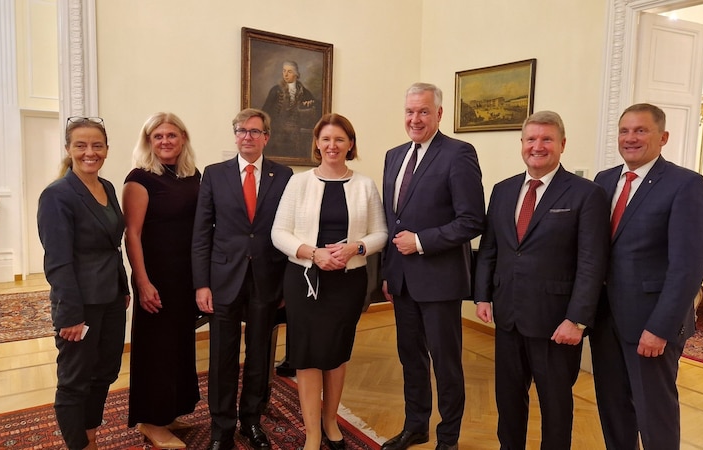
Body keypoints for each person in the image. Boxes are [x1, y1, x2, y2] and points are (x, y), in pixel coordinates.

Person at [473, 111, 610, 449]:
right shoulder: (503, 190)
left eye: (546, 139)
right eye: (531, 139)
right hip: (508, 317)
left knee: (556, 406)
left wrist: (577, 319)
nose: (538, 146)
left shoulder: (585, 194)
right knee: (508, 400)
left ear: (562, 144)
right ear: (522, 145)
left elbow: (592, 262)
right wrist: (482, 296)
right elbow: (490, 248)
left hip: (556, 323)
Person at [590, 103, 703, 449]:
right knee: (613, 407)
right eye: (625, 131)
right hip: (604, 320)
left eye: (641, 131)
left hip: (651, 323)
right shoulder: (605, 180)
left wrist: (659, 328)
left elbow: (688, 268)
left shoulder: (686, 185)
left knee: (654, 412)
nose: (631, 138)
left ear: (663, 137)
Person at [272, 113, 388, 450]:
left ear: (350, 144)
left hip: (348, 282)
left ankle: (330, 421)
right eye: (325, 139)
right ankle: (311, 432)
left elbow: (380, 232)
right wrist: (312, 253)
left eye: (339, 139)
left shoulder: (365, 185)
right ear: (317, 144)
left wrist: (357, 246)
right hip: (305, 279)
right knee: (307, 355)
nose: (332, 145)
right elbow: (278, 232)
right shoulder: (299, 182)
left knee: (336, 354)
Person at [380, 83, 485, 450]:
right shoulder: (394, 155)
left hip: (440, 281)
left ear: (439, 114)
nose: (415, 119)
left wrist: (421, 242)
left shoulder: (459, 154)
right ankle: (416, 425)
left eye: (423, 111)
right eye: (410, 111)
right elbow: (391, 220)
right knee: (410, 358)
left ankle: (448, 439)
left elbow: (472, 220)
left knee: (446, 365)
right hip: (402, 280)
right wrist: (388, 273)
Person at [191, 108, 293, 450]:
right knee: (222, 355)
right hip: (223, 279)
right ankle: (221, 427)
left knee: (259, 354)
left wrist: (284, 285)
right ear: (234, 135)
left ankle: (251, 421)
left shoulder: (284, 175)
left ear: (266, 137)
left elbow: (289, 230)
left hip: (266, 278)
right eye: (241, 131)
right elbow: (201, 232)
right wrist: (201, 283)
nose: (247, 136)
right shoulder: (214, 174)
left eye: (254, 131)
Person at [37, 116, 130, 450]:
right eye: (81, 145)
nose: (90, 152)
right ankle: (78, 444)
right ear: (68, 149)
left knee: (105, 371)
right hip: (81, 305)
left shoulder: (106, 187)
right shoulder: (57, 195)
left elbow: (111, 244)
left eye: (97, 145)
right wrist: (70, 314)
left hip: (111, 298)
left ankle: (90, 436)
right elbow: (58, 262)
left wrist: (124, 288)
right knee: (74, 381)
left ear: (106, 149)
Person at [122, 112, 201, 449]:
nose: (166, 141)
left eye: (172, 135)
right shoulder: (140, 178)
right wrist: (142, 282)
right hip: (156, 277)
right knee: (156, 350)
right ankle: (150, 421)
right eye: (158, 136)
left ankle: (167, 413)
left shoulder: (192, 175)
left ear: (182, 138)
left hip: (186, 277)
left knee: (179, 347)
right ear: (149, 141)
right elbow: (132, 234)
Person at [261, 60, 321, 159]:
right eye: (284, 71)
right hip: (277, 132)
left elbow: (317, 107)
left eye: (289, 71)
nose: (286, 74)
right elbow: (265, 111)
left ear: (296, 74)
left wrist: (309, 104)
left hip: (295, 133)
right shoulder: (275, 90)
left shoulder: (304, 92)